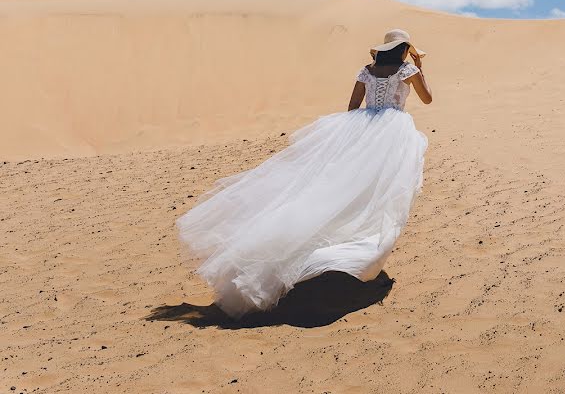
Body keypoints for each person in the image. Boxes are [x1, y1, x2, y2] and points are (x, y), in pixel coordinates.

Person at [176, 29, 433, 318]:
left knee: (337, 190)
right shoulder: (407, 69)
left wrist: (358, 131)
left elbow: (352, 107)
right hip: (391, 134)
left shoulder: (367, 70)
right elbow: (427, 99)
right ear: (404, 49)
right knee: (379, 197)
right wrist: (420, 69)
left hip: (361, 128)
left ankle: (317, 250)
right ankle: (350, 256)